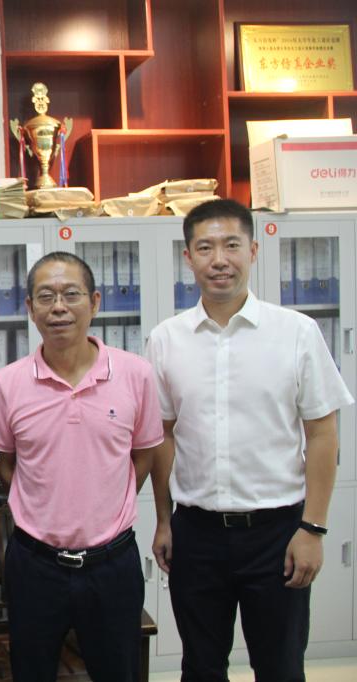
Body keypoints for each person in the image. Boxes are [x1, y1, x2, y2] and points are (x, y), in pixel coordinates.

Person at [145, 198, 354, 680]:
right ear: (188, 258)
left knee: (280, 668)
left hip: (277, 533)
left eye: (232, 245)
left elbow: (322, 434)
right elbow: (163, 437)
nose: (219, 259)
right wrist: (164, 521)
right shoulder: (166, 339)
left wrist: (313, 529)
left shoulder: (296, 332)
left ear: (253, 251)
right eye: (205, 248)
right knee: (201, 667)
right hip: (196, 533)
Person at [0, 251, 163, 681]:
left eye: (71, 294)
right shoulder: (7, 383)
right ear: (30, 308)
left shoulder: (136, 374)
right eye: (46, 297)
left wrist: (106, 501)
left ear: (95, 302)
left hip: (112, 562)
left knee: (118, 672)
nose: (58, 307)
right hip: (34, 563)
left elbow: (143, 455)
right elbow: (6, 463)